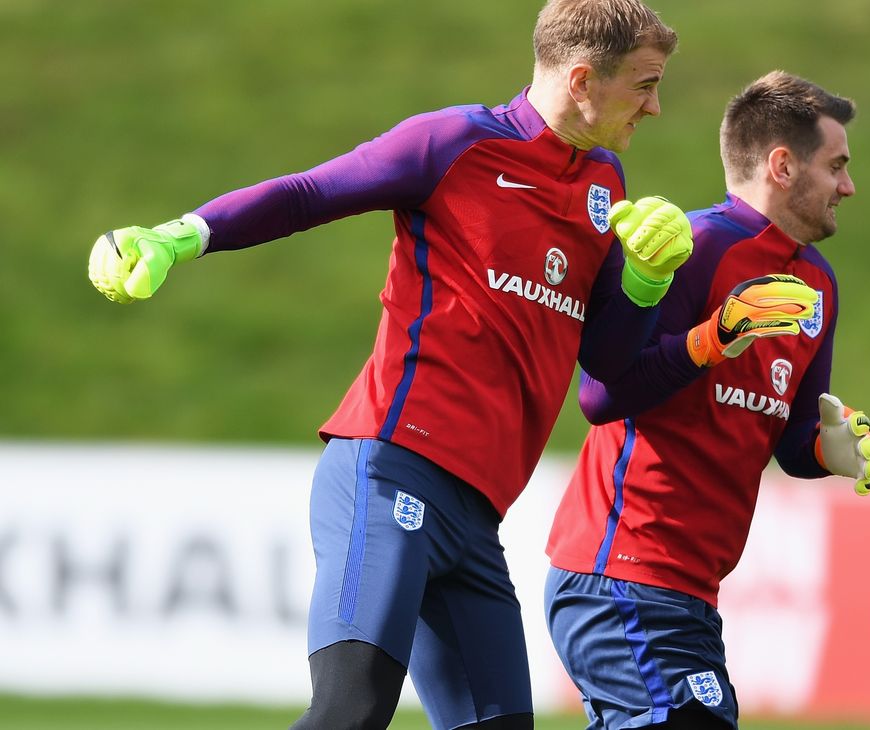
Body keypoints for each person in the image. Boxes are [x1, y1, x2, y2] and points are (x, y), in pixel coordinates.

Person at [86, 2, 690, 728]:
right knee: (351, 708)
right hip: (390, 469)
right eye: (645, 84)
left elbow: (604, 364)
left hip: (476, 518)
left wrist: (645, 284)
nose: (655, 106)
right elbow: (310, 192)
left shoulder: (606, 188)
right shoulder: (457, 143)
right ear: (584, 79)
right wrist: (182, 236)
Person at [544, 70, 870, 729]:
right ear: (783, 165)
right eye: (836, 165)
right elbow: (600, 393)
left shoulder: (818, 285)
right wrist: (714, 338)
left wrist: (828, 450)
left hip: (690, 591)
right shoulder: (693, 250)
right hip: (620, 572)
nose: (849, 186)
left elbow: (790, 444)